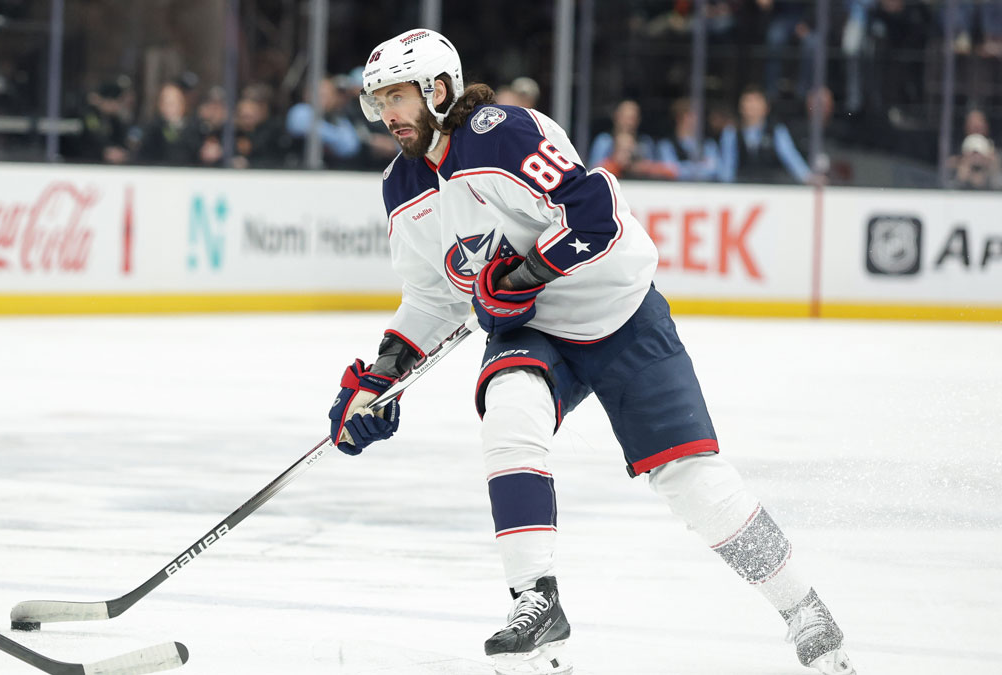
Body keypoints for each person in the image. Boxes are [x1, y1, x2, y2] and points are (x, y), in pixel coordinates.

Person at [328, 28, 857, 675]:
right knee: (509, 414)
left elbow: (594, 211)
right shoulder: (402, 185)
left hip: (621, 313)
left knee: (694, 482)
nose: (387, 114)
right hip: (535, 332)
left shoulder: (501, 133)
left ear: (439, 90)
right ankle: (537, 603)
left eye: (398, 97)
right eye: (377, 101)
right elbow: (433, 298)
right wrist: (381, 376)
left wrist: (518, 278)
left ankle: (802, 605)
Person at [720, 86, 815, 184]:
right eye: (748, 102)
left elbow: (790, 156)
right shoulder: (731, 132)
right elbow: (728, 167)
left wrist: (807, 177)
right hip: (742, 188)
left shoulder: (777, 131)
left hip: (770, 187)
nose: (751, 107)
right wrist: (726, 187)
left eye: (756, 102)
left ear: (766, 107)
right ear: (741, 107)